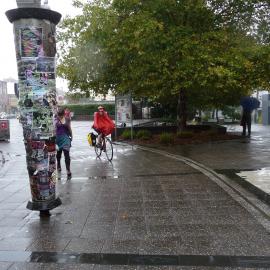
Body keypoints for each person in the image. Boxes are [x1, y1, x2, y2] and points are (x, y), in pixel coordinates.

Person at [55, 108, 72, 178]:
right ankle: (58, 164)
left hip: (66, 138)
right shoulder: (55, 119)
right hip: (58, 139)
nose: (60, 117)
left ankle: (68, 170)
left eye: (61, 115)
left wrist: (71, 136)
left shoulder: (67, 119)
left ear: (64, 114)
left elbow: (69, 128)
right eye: (59, 115)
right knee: (58, 154)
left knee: (66, 154)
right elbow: (54, 129)